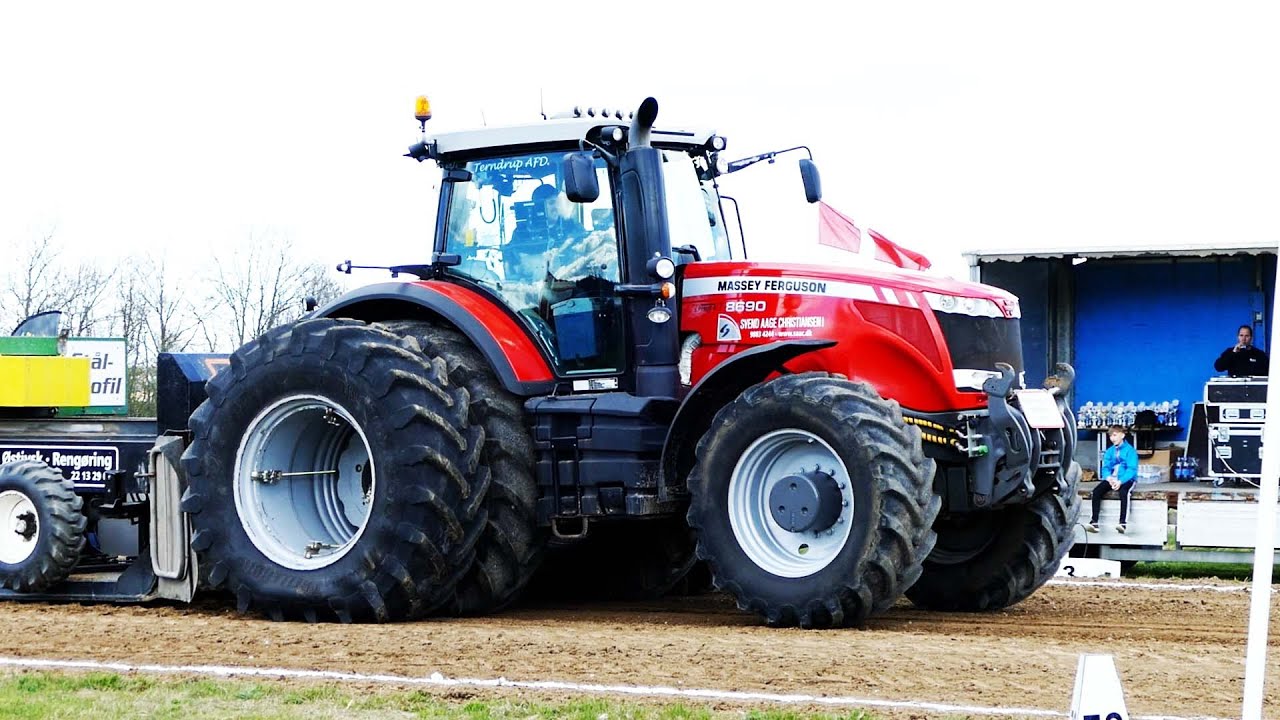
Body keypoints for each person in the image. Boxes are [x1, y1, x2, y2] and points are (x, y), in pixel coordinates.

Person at [1086, 425, 1139, 534]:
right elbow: (1105, 468)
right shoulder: (1109, 451)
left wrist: (1120, 481)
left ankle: (1122, 523)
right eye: (1110, 436)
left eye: (1115, 435)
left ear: (1122, 435)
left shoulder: (1130, 451)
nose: (1112, 438)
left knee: (1124, 492)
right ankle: (1094, 521)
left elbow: (1132, 469)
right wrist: (1109, 478)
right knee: (1096, 492)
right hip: (1112, 479)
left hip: (1126, 479)